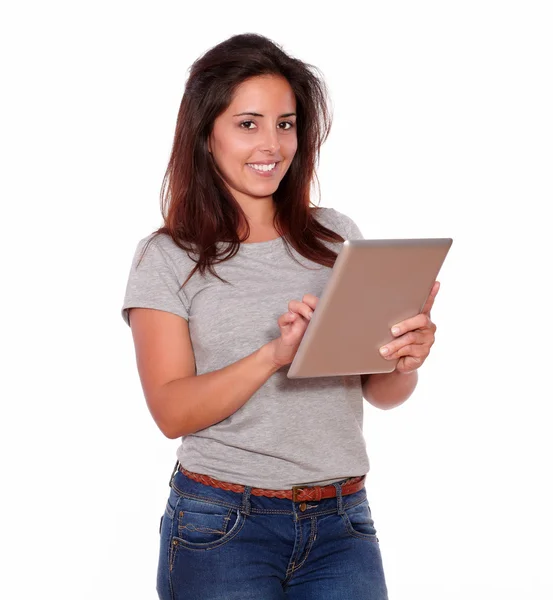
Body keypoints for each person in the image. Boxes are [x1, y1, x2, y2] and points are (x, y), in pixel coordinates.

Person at [121, 32, 439, 600]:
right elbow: (171, 411)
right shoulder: (168, 256)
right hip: (222, 524)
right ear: (205, 133)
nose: (272, 144)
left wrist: (406, 360)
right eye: (248, 123)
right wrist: (274, 355)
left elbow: (381, 391)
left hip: (344, 521)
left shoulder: (335, 236)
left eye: (286, 124)